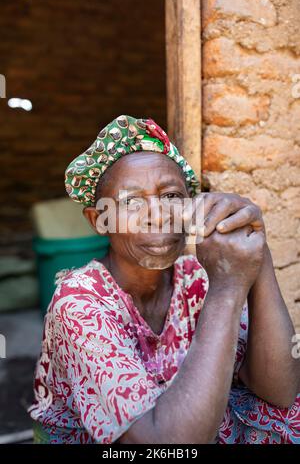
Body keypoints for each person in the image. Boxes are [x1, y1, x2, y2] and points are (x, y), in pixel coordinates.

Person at [29, 115, 300, 444]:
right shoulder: (79, 304)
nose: (158, 216)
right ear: (99, 219)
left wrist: (259, 254)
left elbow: (281, 391)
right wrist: (228, 289)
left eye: (171, 197)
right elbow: (164, 447)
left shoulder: (196, 277)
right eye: (131, 202)